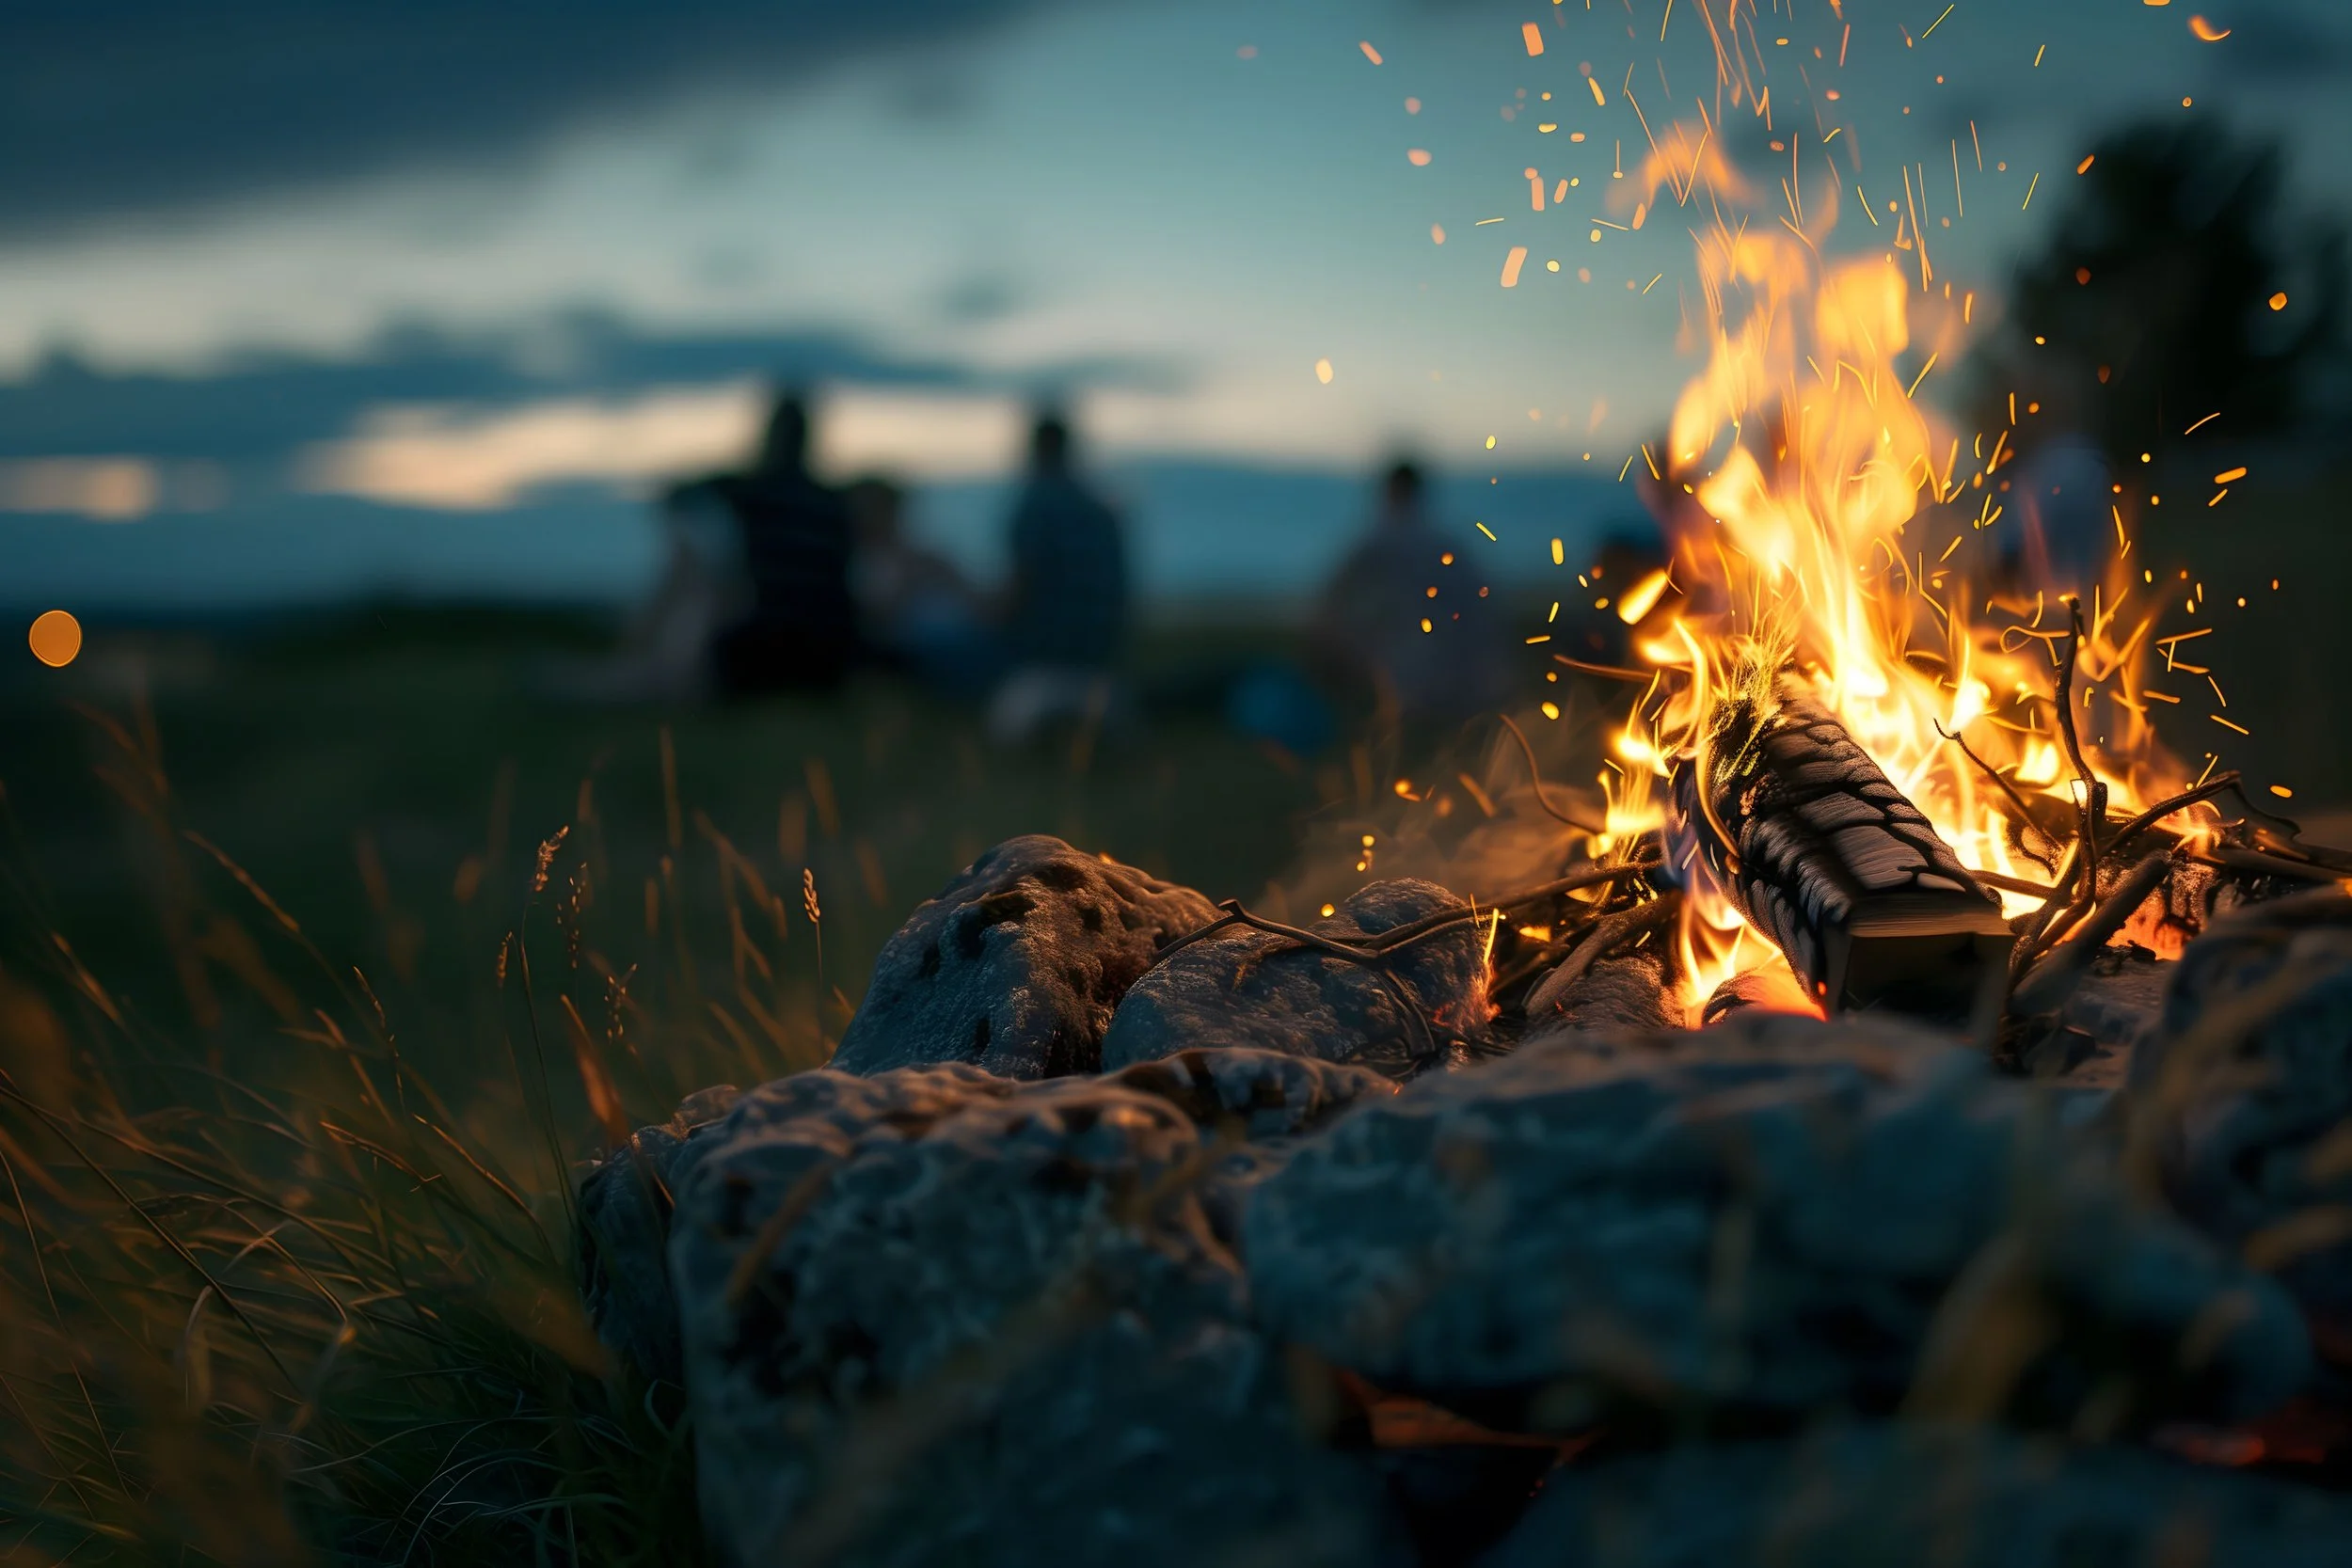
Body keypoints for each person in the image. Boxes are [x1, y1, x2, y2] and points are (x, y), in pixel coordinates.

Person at [1313, 458, 1511, 726]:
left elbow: (1330, 604)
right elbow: (1486, 606)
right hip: (1466, 682)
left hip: (1404, 682)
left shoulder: (1375, 544)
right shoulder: (1451, 544)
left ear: (1388, 492)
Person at [695, 392, 858, 695]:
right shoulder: (833, 503)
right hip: (831, 654)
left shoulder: (749, 493)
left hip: (757, 649)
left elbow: (685, 492)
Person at [987, 410, 1133, 743]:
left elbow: (1013, 599)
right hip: (1100, 661)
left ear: (1034, 450)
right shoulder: (1101, 511)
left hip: (1039, 658)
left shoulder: (1035, 506)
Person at [845, 475, 994, 694]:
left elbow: (972, 593)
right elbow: (873, 619)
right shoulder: (858, 563)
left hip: (959, 638)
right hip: (916, 652)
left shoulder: (917, 554)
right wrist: (909, 582)